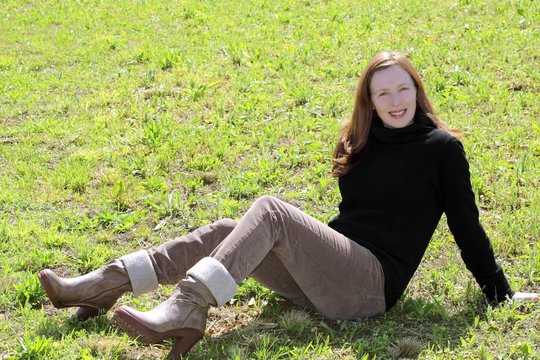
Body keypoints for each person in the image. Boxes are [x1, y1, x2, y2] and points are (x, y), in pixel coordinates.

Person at [38, 51, 538, 359]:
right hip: (332, 276)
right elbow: (351, 225)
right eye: (382, 92)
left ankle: (187, 307)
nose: (394, 100)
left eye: (402, 88)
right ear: (369, 99)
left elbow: (466, 226)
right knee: (227, 230)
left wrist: (499, 291)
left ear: (417, 91)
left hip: (370, 287)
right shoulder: (362, 140)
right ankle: (105, 286)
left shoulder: (441, 149)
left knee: (271, 211)